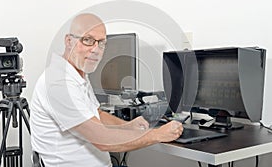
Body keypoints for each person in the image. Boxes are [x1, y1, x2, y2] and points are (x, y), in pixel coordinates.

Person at [30, 13, 183, 167]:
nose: (96, 50)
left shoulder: (77, 74)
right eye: (88, 40)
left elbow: (99, 114)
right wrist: (158, 134)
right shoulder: (58, 83)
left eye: (101, 43)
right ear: (69, 41)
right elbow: (101, 139)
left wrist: (127, 126)